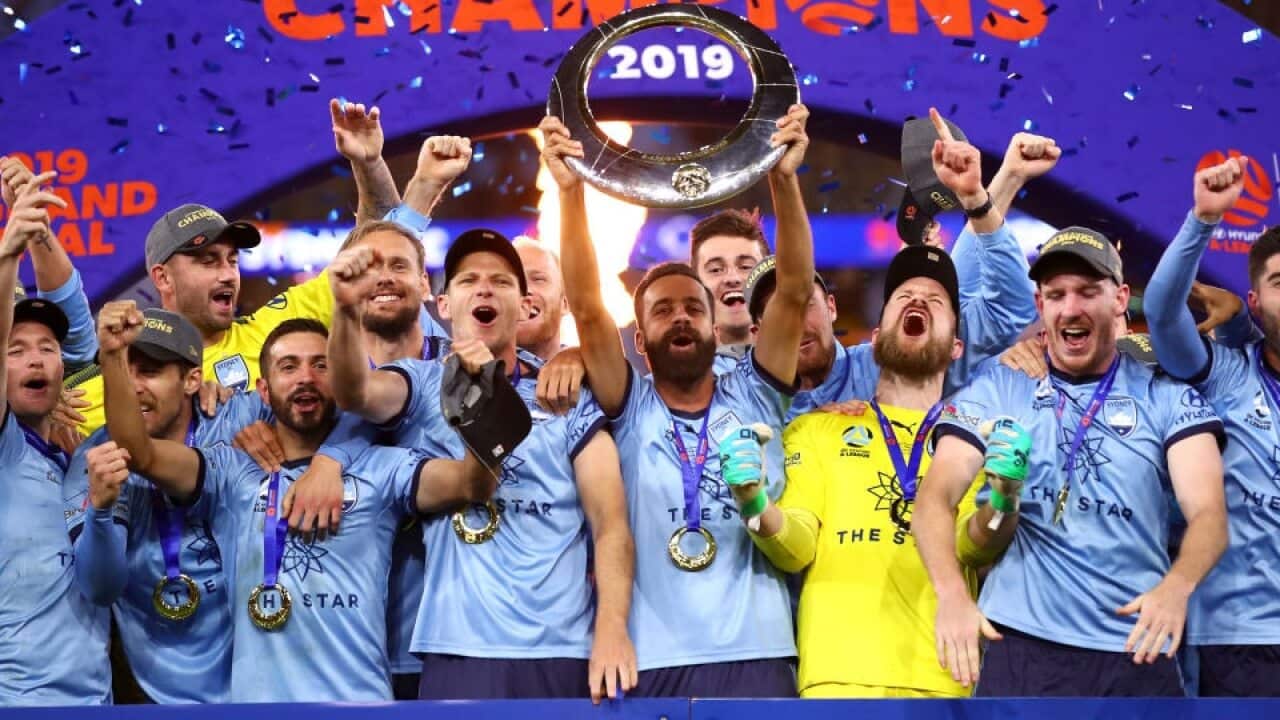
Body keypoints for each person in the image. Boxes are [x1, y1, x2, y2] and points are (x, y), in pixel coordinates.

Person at [540, 102, 812, 697]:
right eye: (661, 311)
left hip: (759, 651)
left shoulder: (758, 392)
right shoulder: (627, 403)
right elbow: (586, 307)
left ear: (718, 328)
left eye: (694, 308)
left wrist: (782, 178)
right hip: (650, 656)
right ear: (639, 338)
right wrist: (570, 193)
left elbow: (791, 291)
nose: (680, 318)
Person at [98, 312, 509, 702]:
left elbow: (473, 484)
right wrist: (113, 356)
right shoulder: (228, 469)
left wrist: (481, 398)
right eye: (289, 367)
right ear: (263, 388)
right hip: (256, 706)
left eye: (321, 366)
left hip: (359, 701)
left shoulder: (382, 468)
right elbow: (138, 452)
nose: (306, 379)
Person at [913, 224, 1229, 696]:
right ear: (1040, 307)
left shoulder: (1165, 396)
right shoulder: (1001, 387)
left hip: (1136, 645)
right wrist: (952, 595)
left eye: (1087, 292)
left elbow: (1209, 514)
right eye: (1056, 294)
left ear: (1120, 299)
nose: (1071, 308)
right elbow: (935, 500)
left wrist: (1176, 587)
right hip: (1021, 648)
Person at [326, 229, 636, 702]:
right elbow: (354, 393)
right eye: (468, 280)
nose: (485, 288)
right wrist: (346, 313)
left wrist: (611, 629)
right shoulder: (420, 384)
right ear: (445, 306)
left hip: (561, 648)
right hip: (458, 648)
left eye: (501, 281)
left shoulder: (566, 396)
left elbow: (610, 523)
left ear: (526, 304)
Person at [720, 246, 1032, 698]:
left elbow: (973, 544)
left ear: (957, 346)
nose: (918, 301)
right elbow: (796, 547)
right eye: (903, 296)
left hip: (945, 678)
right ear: (876, 332)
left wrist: (1004, 500)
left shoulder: (969, 441)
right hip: (836, 681)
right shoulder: (815, 428)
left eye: (936, 300)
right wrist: (752, 504)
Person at [770, 115, 1044, 415]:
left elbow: (992, 302)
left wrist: (987, 192)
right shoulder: (744, 393)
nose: (794, 318)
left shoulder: (901, 357)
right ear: (755, 329)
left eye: (806, 303)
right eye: (779, 307)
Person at [64, 309, 264, 704]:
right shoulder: (95, 458)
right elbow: (99, 588)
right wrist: (100, 513)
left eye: (150, 371)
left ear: (192, 379)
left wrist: (329, 460)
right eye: (123, 369)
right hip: (150, 690)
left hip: (255, 679)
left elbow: (324, 412)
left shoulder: (237, 420)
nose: (133, 386)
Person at [1142, 155, 1280, 696]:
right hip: (1239, 641)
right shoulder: (1224, 375)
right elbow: (1161, 310)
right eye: (1279, 281)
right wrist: (1203, 219)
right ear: (1254, 301)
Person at [0, 175, 110, 704]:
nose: (37, 357)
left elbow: (81, 342)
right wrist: (8, 255)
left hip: (94, 700)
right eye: (15, 349)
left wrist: (39, 230)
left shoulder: (73, 448)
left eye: (46, 347)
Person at [687, 208, 772, 370]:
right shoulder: (670, 384)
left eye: (746, 267)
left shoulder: (805, 368)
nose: (732, 278)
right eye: (716, 269)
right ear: (695, 286)